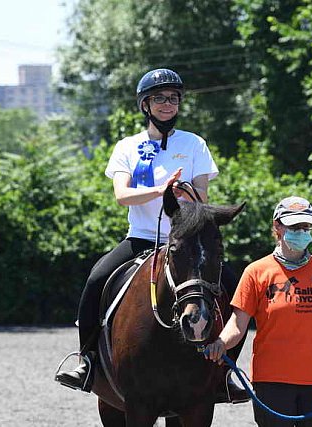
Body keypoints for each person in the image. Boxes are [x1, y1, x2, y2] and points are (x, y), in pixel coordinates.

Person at [55, 68, 246, 402]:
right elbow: (122, 195)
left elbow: (203, 196)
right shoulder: (128, 146)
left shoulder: (194, 144)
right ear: (145, 105)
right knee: (96, 278)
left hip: (186, 241)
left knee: (232, 289)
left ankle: (228, 372)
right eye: (159, 98)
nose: (167, 104)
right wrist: (161, 190)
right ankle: (86, 359)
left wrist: (184, 192)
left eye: (173, 98)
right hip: (141, 237)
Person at [205, 196, 312, 426]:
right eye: (294, 227)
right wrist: (221, 343)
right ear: (277, 227)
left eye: (306, 227)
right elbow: (237, 323)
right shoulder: (256, 272)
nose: (301, 232)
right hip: (271, 383)